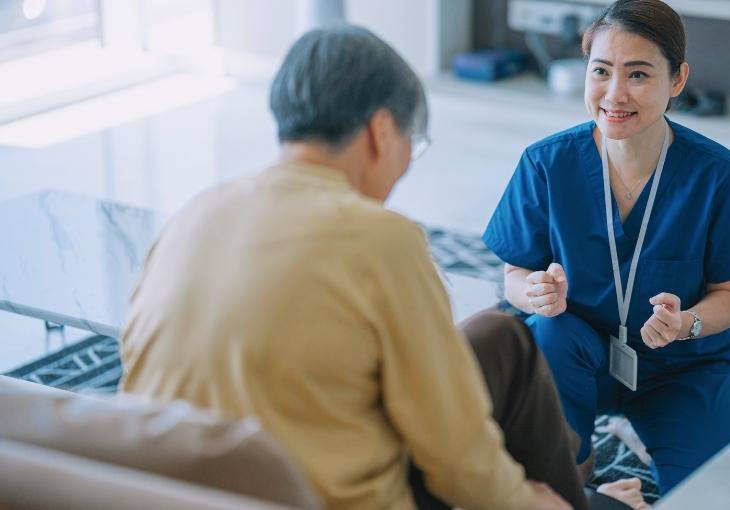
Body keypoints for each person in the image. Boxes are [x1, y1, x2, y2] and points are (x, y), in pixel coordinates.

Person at [118, 25, 653, 510]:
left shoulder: (196, 212)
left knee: (496, 336)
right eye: (410, 145)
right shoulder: (381, 239)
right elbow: (454, 452)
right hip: (323, 497)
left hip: (173, 488)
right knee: (506, 351)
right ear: (380, 130)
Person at [483, 0, 730, 498]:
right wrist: (533, 293)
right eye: (601, 71)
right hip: (573, 355)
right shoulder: (546, 164)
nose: (615, 94)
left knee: (716, 498)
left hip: (681, 366)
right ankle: (577, 461)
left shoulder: (720, 176)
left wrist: (686, 321)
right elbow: (514, 274)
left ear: (678, 79)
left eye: (639, 74)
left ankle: (650, 432)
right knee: (550, 484)